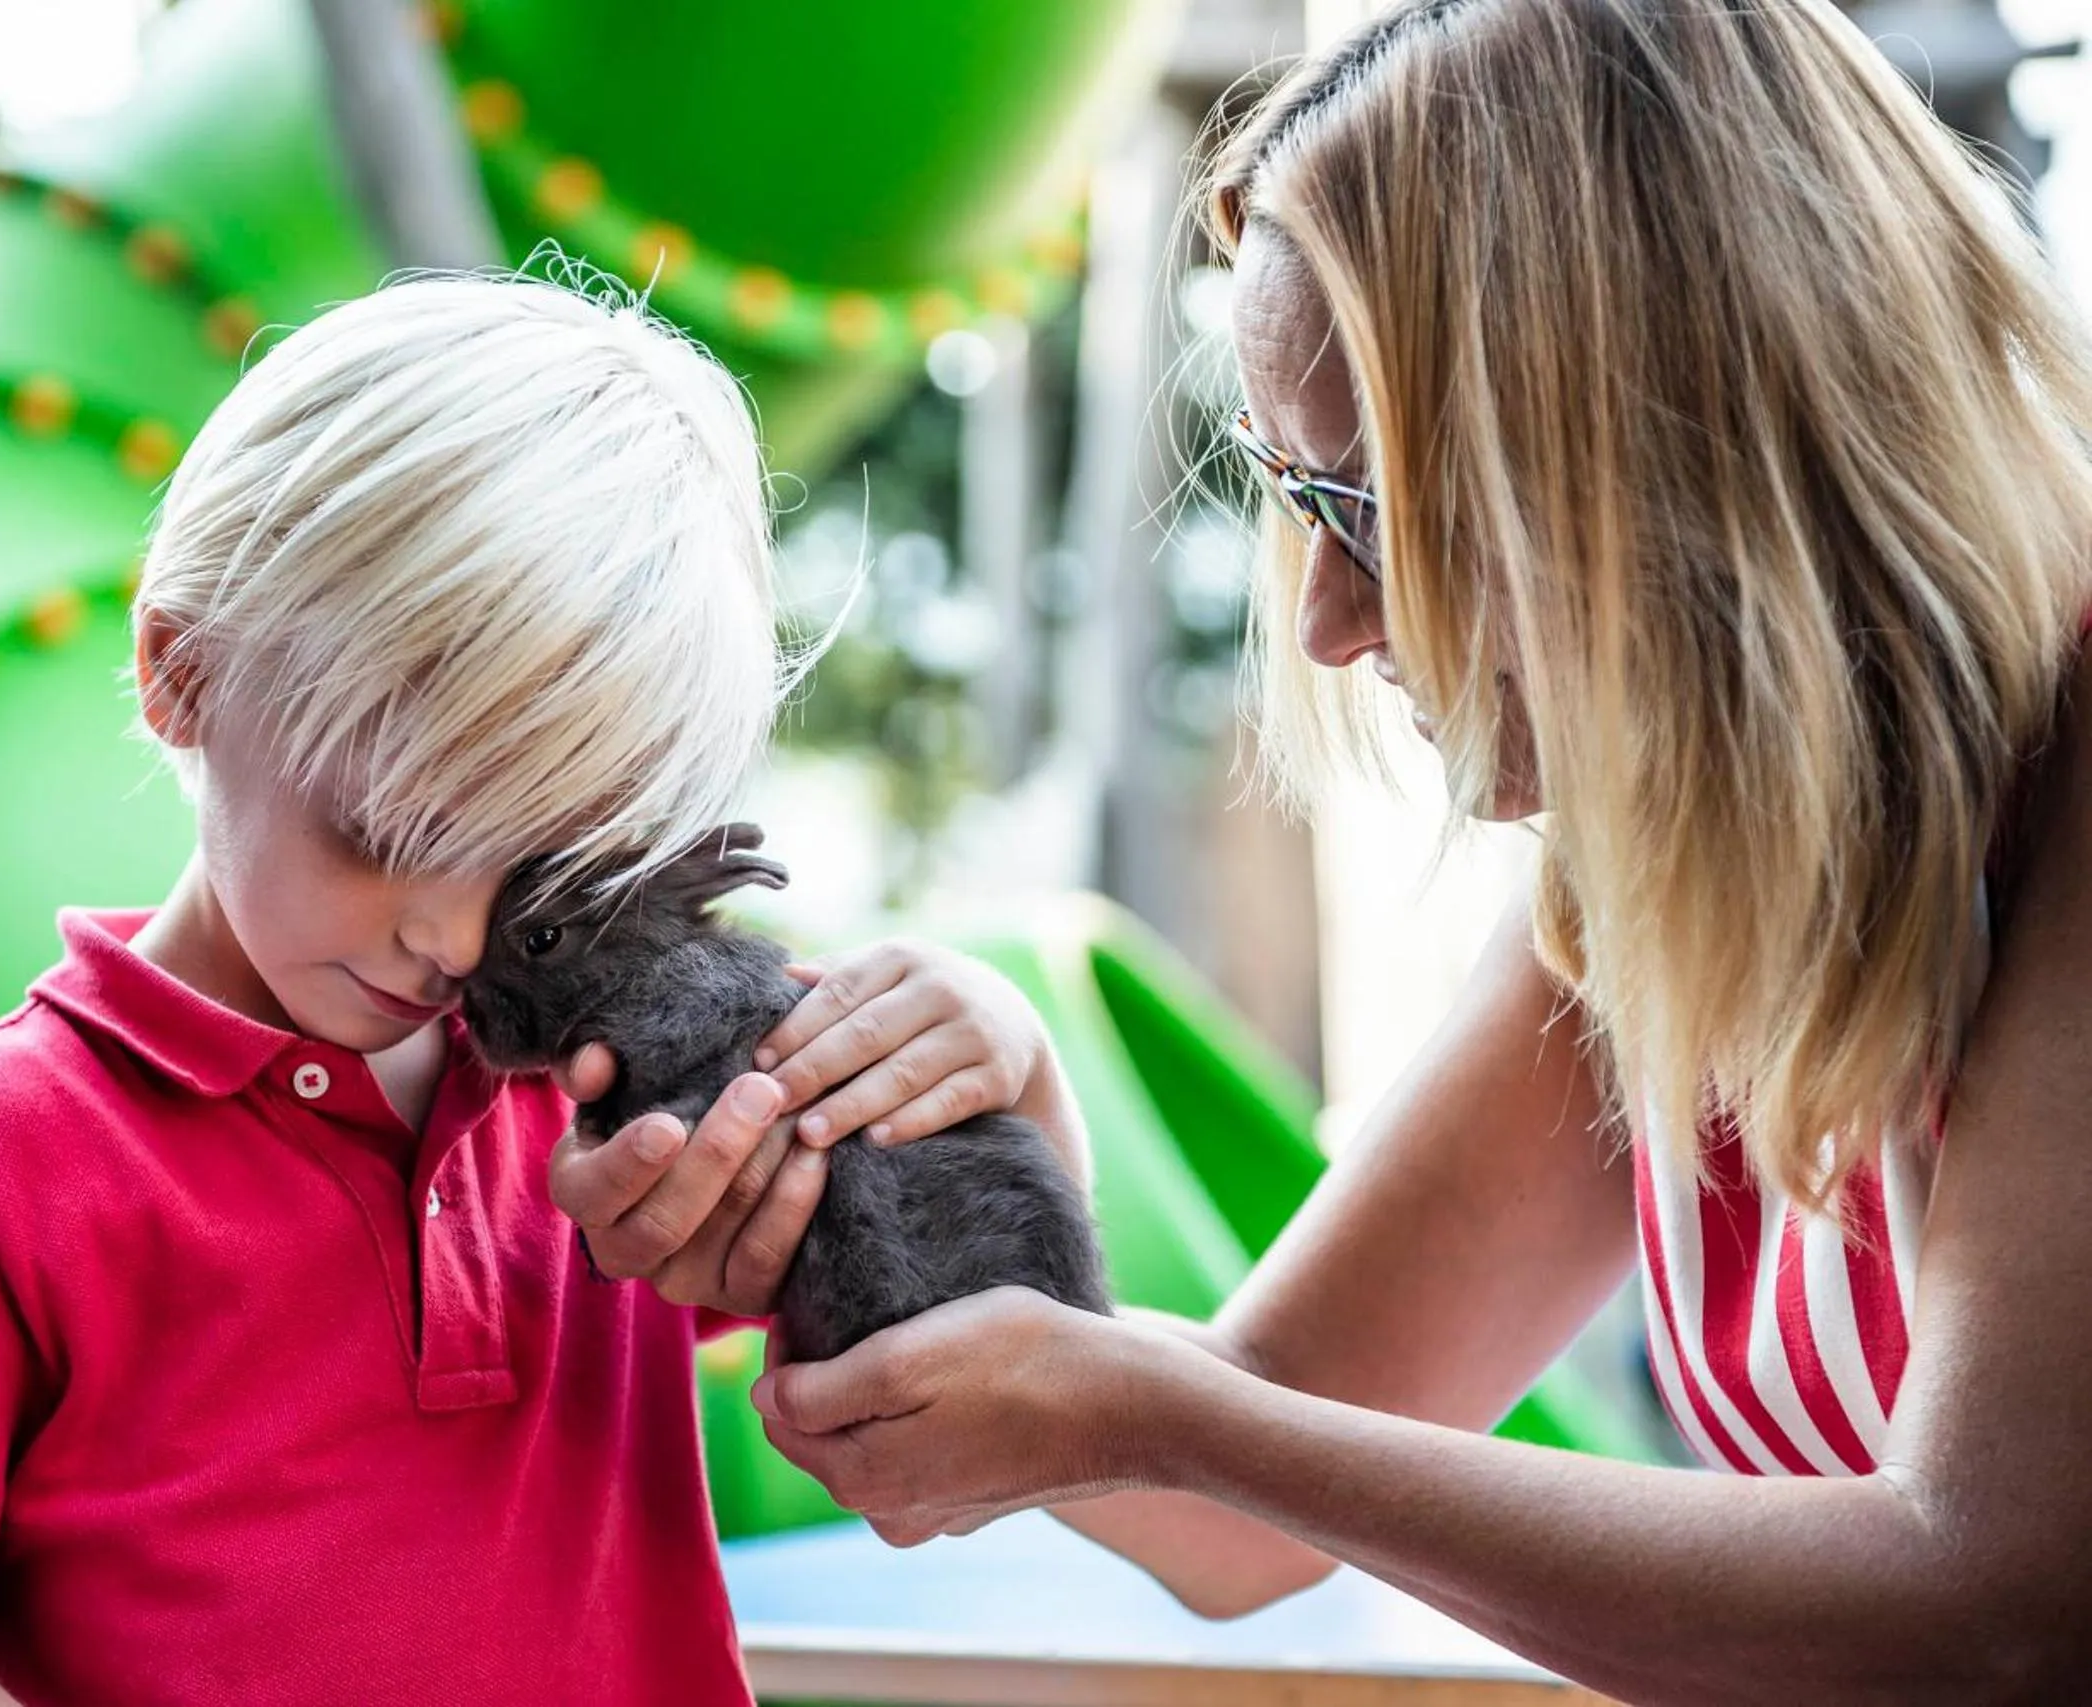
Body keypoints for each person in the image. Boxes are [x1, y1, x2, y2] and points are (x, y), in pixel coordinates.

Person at [656, 0, 2092, 1696]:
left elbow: (1994, 1601)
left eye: (1369, 507)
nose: (1327, 623)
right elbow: (1250, 1512)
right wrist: (972, 1178)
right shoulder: (1661, 887)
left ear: (1655, 444)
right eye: (1290, 503)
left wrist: (1165, 1412)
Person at [0, 272, 1087, 1707]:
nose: (452, 933)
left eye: (541, 857)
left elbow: (1131, 1480)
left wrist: (1010, 1070)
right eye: (383, 833)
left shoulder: (621, 1086)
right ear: (180, 674)